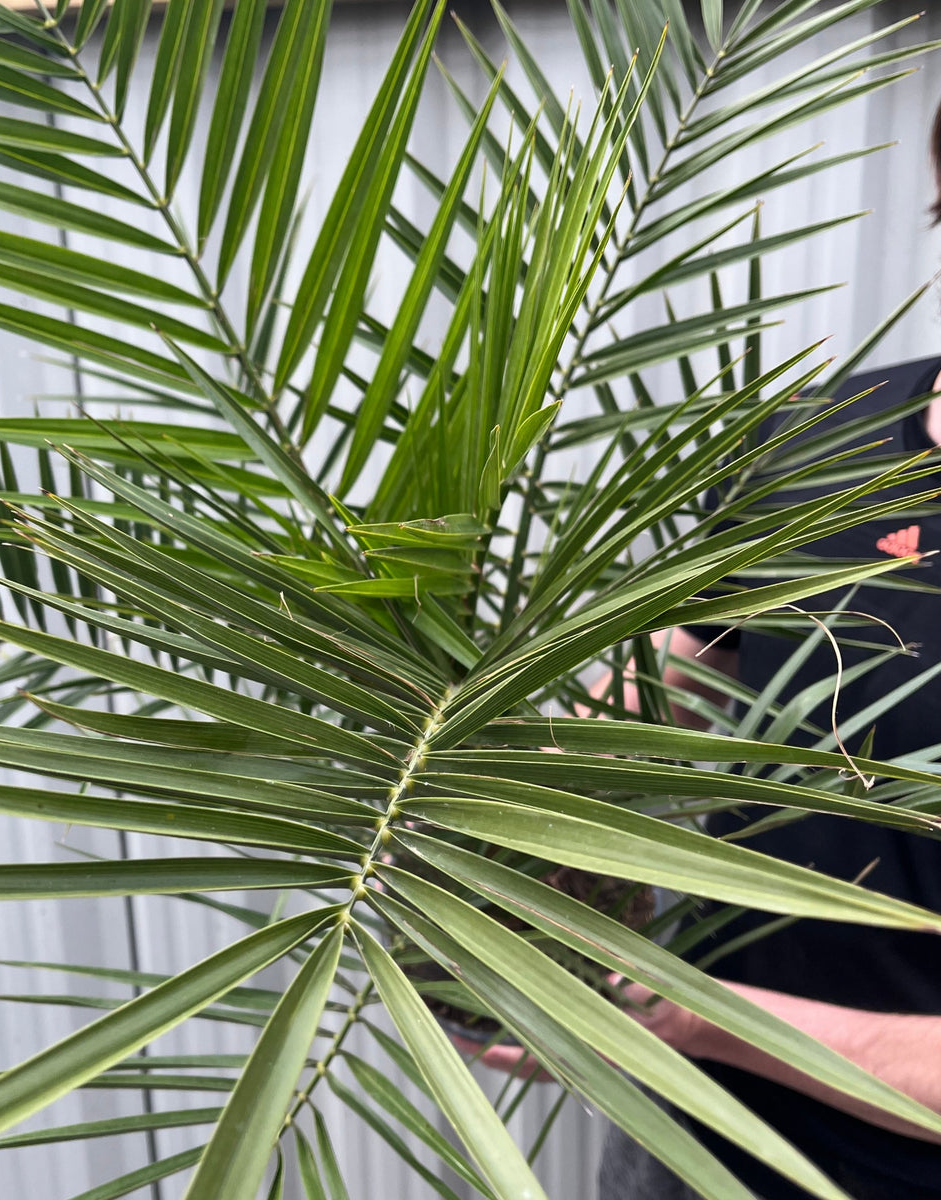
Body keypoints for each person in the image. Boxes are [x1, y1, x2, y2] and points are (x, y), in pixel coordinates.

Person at [464, 128, 941, 1199]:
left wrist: (683, 1014)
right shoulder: (816, 435)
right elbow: (689, 669)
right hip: (683, 1128)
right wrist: (499, 796)